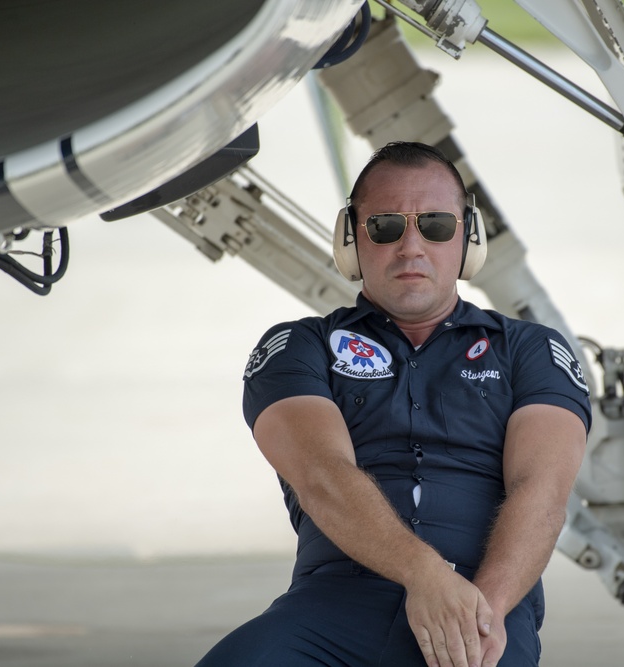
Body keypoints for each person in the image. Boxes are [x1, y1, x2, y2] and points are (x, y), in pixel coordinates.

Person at [196, 142, 590, 667]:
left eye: (436, 225)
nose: (411, 246)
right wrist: (425, 576)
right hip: (331, 606)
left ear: (467, 239)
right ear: (351, 239)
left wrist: (481, 613)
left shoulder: (532, 350)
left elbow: (541, 492)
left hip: (483, 605)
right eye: (385, 226)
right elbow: (321, 474)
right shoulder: (297, 347)